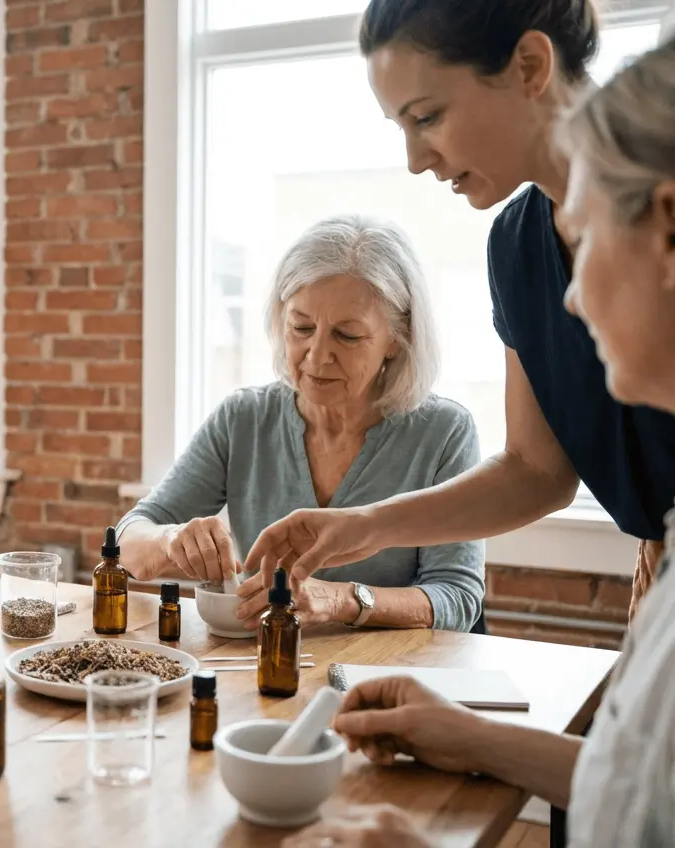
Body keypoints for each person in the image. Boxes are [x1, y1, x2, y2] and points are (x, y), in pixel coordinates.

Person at [285, 37, 675, 848]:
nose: (565, 304)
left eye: (590, 239)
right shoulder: (515, 240)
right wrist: (468, 736)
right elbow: (636, 794)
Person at [245, 0, 675, 623]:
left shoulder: (657, 204)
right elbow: (536, 469)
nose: (416, 159)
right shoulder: (517, 243)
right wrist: (363, 526)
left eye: (428, 117)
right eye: (401, 126)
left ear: (530, 66)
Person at [116, 214, 484, 631]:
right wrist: (169, 541)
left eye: (347, 336)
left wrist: (341, 599)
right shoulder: (245, 418)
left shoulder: (444, 432)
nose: (316, 355)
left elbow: (457, 597)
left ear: (397, 342)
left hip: (391, 674)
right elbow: (127, 541)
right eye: (301, 327)